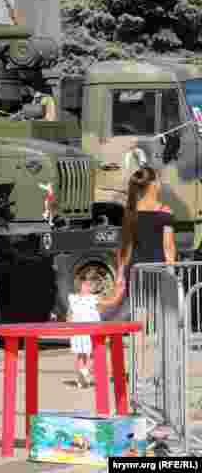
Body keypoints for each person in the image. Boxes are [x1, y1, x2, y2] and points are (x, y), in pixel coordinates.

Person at [109, 166, 176, 322]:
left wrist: (120, 273)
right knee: (160, 317)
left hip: (136, 270)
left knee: (139, 316)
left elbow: (127, 246)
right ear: (153, 185)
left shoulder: (131, 212)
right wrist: (172, 271)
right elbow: (168, 247)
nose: (160, 184)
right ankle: (158, 346)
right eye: (158, 180)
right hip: (158, 270)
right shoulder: (165, 211)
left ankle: (138, 346)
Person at [67, 271, 125, 388]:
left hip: (83, 331)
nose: (89, 287)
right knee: (88, 354)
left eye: (90, 285)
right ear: (81, 285)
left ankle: (82, 378)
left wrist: (119, 293)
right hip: (86, 331)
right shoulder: (84, 298)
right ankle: (84, 374)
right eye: (87, 285)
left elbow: (69, 315)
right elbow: (111, 302)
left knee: (84, 355)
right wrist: (119, 293)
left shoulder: (79, 298)